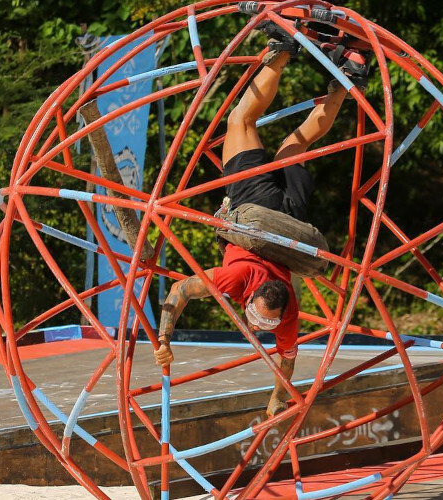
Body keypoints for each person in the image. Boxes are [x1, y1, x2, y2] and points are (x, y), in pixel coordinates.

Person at [153, 22, 366, 417]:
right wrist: (164, 339)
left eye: (260, 325)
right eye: (256, 320)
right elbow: (181, 291)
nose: (256, 327)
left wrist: (276, 400)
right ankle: (283, 48)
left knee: (298, 141)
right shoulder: (237, 280)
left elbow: (287, 362)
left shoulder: (288, 316)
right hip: (255, 208)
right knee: (240, 122)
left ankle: (349, 75)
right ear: (251, 297)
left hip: (291, 220)